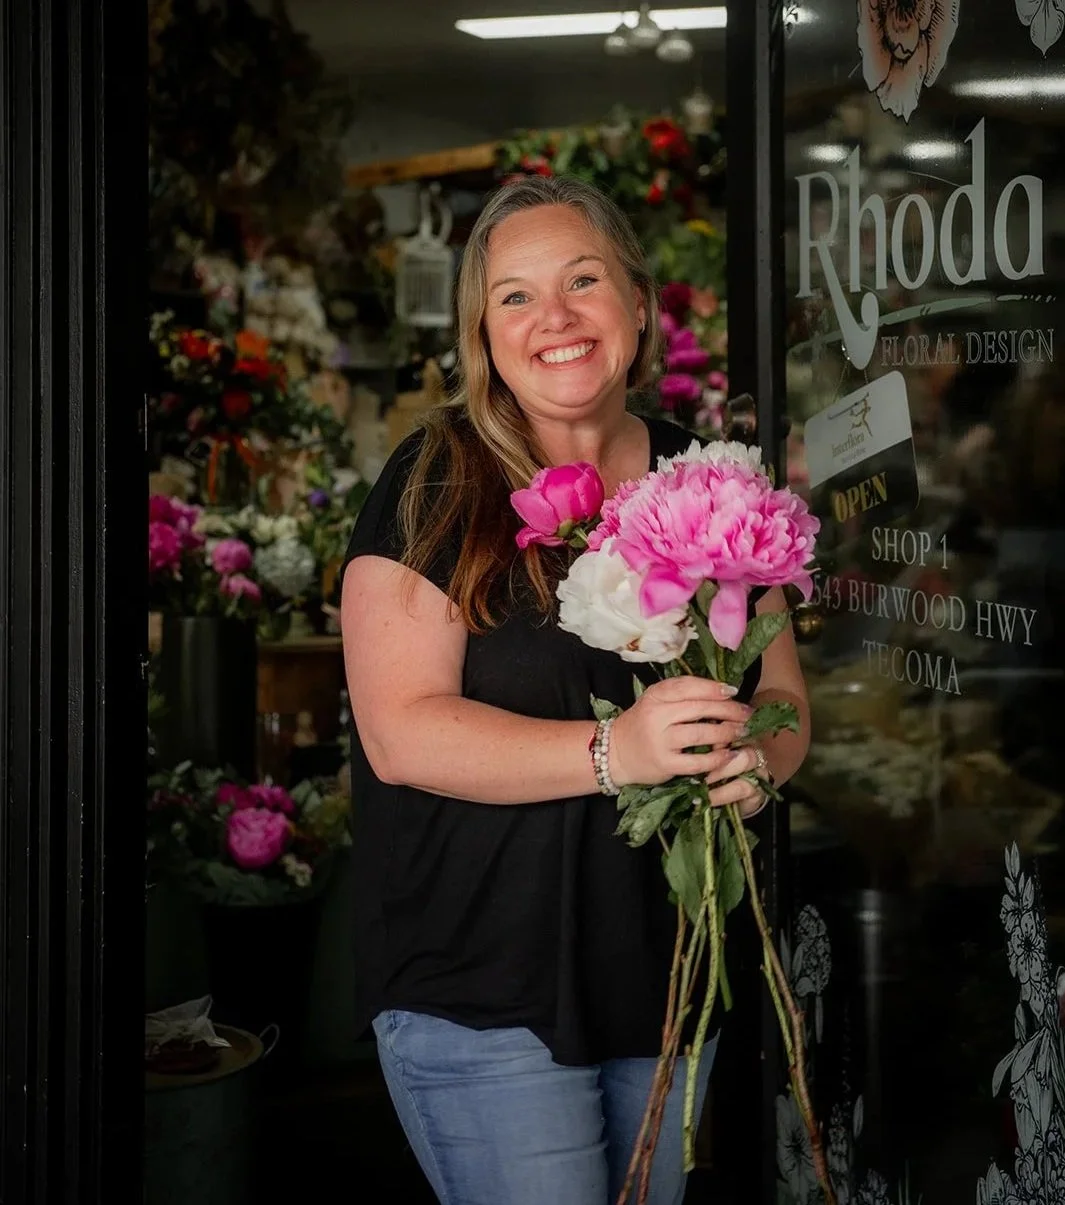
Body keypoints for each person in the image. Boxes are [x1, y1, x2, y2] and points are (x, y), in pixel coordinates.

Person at [339, 175, 810, 1205]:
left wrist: (756, 762)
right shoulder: (437, 481)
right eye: (515, 295)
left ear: (638, 304)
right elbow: (402, 732)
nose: (554, 318)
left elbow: (782, 699)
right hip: (485, 987)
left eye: (583, 279)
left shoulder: (712, 477)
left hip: (670, 979)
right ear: (484, 332)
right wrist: (617, 753)